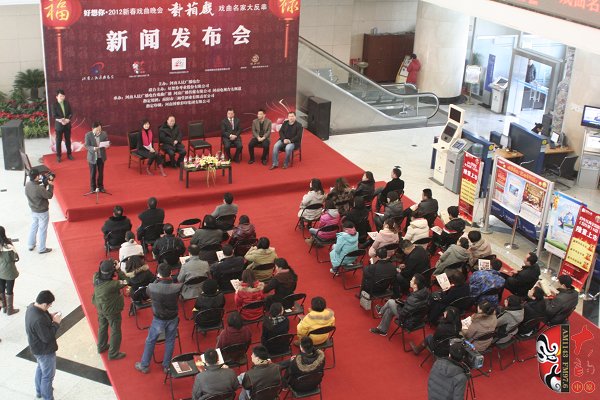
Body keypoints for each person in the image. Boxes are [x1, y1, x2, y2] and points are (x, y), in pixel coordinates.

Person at [135, 263, 183, 374]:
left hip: (158, 319)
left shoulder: (152, 287)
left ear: (158, 274)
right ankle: (166, 365)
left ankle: (144, 365)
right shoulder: (177, 287)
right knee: (170, 340)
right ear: (171, 273)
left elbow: (147, 294)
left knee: (151, 340)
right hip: (172, 317)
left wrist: (157, 280)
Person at [25, 290, 61, 400]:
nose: (49, 307)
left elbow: (42, 318)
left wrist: (50, 316)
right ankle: (47, 397)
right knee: (48, 377)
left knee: (40, 369)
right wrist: (56, 323)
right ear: (45, 304)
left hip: (36, 348)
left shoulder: (31, 307)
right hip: (44, 351)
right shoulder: (39, 319)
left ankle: (39, 391)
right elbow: (47, 338)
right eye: (49, 305)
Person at [92, 259, 127, 360]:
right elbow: (126, 281)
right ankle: (113, 353)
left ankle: (101, 346)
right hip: (111, 310)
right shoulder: (113, 285)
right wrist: (118, 270)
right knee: (115, 330)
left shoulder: (95, 277)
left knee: (102, 327)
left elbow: (100, 271)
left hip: (100, 307)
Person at [25, 168, 54, 254]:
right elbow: (49, 195)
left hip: (33, 209)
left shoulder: (28, 185)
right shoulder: (39, 189)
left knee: (34, 226)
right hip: (42, 211)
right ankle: (42, 248)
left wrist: (43, 184)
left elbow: (38, 192)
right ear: (37, 177)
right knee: (42, 229)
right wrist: (51, 185)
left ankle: (31, 244)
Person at [84, 121, 109, 193]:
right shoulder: (88, 135)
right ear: (92, 129)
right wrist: (93, 148)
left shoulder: (104, 133)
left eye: (100, 129)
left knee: (101, 173)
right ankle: (93, 187)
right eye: (97, 130)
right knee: (93, 173)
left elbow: (106, 142)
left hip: (101, 156)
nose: (99, 131)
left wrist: (107, 145)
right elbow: (86, 145)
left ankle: (101, 187)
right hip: (92, 157)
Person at [0, 226, 20, 315]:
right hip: (9, 271)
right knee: (9, 290)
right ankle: (10, 310)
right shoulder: (9, 246)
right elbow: (15, 258)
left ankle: (4, 307)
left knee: (1, 288)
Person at [52, 89, 73, 162]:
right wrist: (61, 120)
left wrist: (68, 119)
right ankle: (58, 156)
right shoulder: (54, 105)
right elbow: (54, 115)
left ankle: (69, 154)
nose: (62, 97)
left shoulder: (67, 103)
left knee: (68, 140)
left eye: (63, 96)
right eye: (60, 96)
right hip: (59, 125)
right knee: (58, 141)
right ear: (56, 97)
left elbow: (71, 113)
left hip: (67, 124)